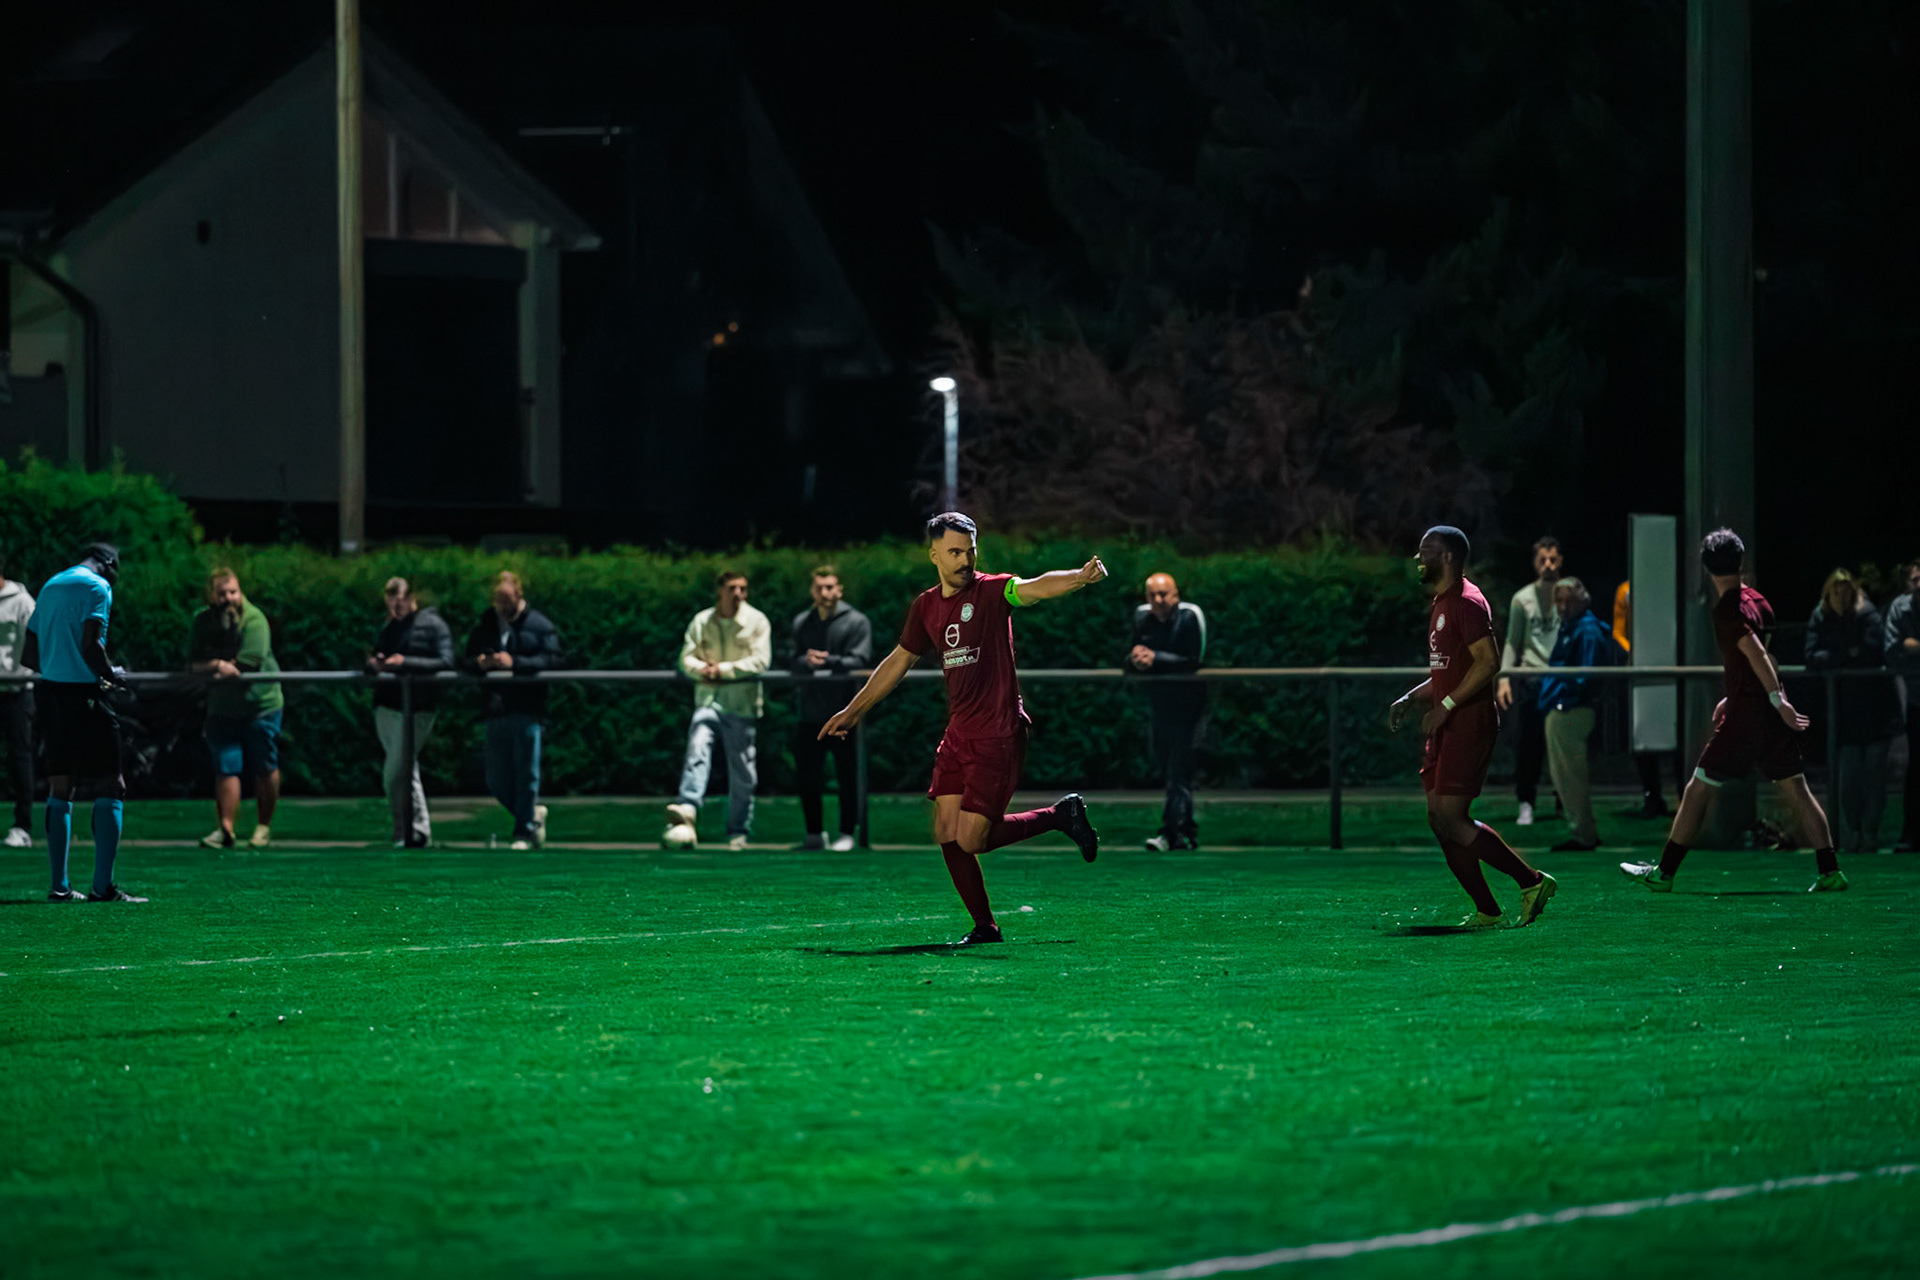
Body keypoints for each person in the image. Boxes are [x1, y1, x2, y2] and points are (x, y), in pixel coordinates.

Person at [818, 512, 1104, 946]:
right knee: (946, 832)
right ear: (934, 554)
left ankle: (1058, 815)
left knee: (973, 839)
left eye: (970, 550)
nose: (965, 559)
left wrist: (1078, 578)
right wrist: (854, 710)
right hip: (958, 736)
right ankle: (986, 927)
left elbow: (1034, 587)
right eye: (954, 551)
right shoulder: (926, 606)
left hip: (999, 733)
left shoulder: (992, 591)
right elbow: (898, 661)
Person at [1622, 528, 1846, 893]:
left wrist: (1776, 700)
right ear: (1741, 562)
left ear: (1706, 568)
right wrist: (1741, 695)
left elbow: (1756, 653)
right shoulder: (1758, 599)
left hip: (1749, 718)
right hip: (1760, 712)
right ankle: (1830, 870)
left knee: (1697, 788)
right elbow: (1763, 658)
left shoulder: (1728, 609)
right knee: (1797, 791)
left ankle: (1664, 873)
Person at [1388, 526, 1556, 928]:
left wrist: (1446, 705)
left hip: (1468, 723)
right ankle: (1488, 910)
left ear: (1447, 557)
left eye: (1426, 550)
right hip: (1450, 721)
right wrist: (1412, 697)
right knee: (1437, 816)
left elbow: (1488, 662)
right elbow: (1451, 672)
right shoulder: (1443, 602)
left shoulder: (1466, 602)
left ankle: (1531, 881)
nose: (1418, 557)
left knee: (1451, 815)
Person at [21, 543, 143, 901]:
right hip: (86, 697)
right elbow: (92, 645)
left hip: (52, 695)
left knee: (61, 785)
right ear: (108, 565)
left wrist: (61, 669)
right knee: (112, 783)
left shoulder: (51, 584)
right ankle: (102, 887)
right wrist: (111, 675)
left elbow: (30, 653)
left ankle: (60, 886)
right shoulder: (97, 587)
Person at [668, 570, 772, 851]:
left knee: (742, 772)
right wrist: (701, 669)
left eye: (743, 588)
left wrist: (722, 670)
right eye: (733, 588)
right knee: (697, 748)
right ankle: (687, 810)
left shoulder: (757, 621)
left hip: (741, 704)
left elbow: (761, 661)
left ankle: (738, 831)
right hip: (708, 700)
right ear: (720, 591)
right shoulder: (702, 621)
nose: (739, 594)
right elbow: (685, 658)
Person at [462, 571, 565, 850]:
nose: (503, 609)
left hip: (528, 708)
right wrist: (481, 663)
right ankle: (530, 816)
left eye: (507, 602)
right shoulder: (486, 624)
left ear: (519, 596)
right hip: (497, 709)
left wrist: (515, 662)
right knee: (496, 780)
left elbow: (553, 659)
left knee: (526, 775)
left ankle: (523, 833)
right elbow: (465, 658)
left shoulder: (540, 625)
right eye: (498, 602)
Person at [188, 569, 284, 850]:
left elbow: (247, 665)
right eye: (222, 593)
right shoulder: (202, 621)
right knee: (226, 766)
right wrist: (218, 666)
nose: (229, 598)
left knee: (265, 764)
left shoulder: (254, 620)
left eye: (233, 592)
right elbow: (192, 665)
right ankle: (226, 830)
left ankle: (263, 827)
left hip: (261, 704)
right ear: (211, 596)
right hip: (223, 707)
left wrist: (216, 667)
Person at [1805, 570, 1899, 854]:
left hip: (1875, 709)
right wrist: (1846, 655)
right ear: (1828, 592)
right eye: (1836, 590)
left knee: (1873, 778)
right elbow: (1812, 656)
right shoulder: (1821, 616)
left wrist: (1835, 658)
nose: (1841, 596)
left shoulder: (1867, 614)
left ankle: (1868, 834)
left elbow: (1872, 651)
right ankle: (1852, 834)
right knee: (1847, 780)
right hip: (1843, 712)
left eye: (1846, 590)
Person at [367, 577, 456, 848]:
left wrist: (405, 662)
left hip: (417, 708)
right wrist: (375, 664)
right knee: (406, 771)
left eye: (400, 601)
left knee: (394, 773)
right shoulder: (389, 626)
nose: (395, 607)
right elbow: (377, 654)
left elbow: (446, 660)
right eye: (391, 602)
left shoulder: (432, 624)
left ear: (412, 598)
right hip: (388, 706)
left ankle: (410, 830)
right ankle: (411, 831)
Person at [789, 565, 871, 850]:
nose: (825, 593)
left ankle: (848, 833)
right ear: (813, 591)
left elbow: (860, 661)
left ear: (839, 590)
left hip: (845, 715)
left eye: (830, 587)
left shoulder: (857, 622)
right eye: (819, 587)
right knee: (807, 776)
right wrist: (805, 661)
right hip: (810, 714)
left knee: (847, 776)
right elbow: (791, 659)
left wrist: (829, 660)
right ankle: (814, 834)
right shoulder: (802, 622)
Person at [1128, 572, 1207, 851]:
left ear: (1175, 594)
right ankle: (1186, 834)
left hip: (1191, 708)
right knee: (1172, 771)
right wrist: (1136, 658)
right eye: (1152, 595)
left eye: (1164, 594)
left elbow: (1194, 659)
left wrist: (1155, 658)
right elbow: (1128, 654)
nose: (1158, 600)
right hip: (1160, 707)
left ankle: (1171, 834)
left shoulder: (1189, 616)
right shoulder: (1142, 618)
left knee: (1178, 772)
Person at [1539, 577, 1614, 852]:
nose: (1563, 606)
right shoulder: (1572, 628)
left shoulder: (1587, 630)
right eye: (1559, 600)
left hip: (1572, 712)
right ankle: (1583, 831)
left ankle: (1583, 834)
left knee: (1570, 775)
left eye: (1569, 600)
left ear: (1583, 600)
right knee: (1565, 775)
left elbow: (1587, 676)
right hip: (1565, 709)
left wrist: (1565, 701)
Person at [1496, 536, 1564, 825]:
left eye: (1553, 559)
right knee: (1529, 745)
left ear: (1560, 560)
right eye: (1542, 560)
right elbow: (1513, 641)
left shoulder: (1569, 595)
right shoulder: (1522, 599)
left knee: (1562, 744)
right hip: (1533, 678)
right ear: (1535, 563)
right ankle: (1526, 802)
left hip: (1562, 678)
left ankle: (1565, 802)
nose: (1548, 565)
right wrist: (1504, 678)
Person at [1614, 579, 1677, 818]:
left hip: (1670, 666)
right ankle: (1652, 795)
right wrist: (1636, 652)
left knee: (1675, 732)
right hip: (1640, 671)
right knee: (1643, 735)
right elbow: (1618, 631)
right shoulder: (1626, 590)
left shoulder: (1671, 584)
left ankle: (1682, 793)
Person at [1884, 560, 1920, 852]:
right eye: (1915, 579)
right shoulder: (1900, 608)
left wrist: (1914, 645)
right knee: (1916, 766)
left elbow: (1907, 646)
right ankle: (1911, 834)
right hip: (1915, 698)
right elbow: (1894, 649)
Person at [0, 561, 36, 847]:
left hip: (17, 691)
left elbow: (35, 643)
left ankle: (22, 826)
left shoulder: (23, 602)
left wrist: (22, 673)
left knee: (19, 758)